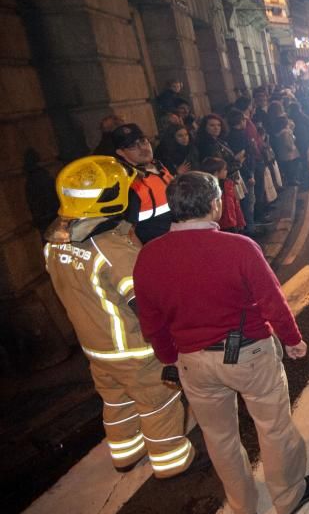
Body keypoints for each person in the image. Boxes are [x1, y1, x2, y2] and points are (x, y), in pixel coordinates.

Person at [134, 172, 309, 514]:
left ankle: (242, 507)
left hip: (192, 360)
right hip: (248, 353)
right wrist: (292, 340)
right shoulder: (239, 248)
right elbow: (272, 302)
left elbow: (151, 321)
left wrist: (169, 357)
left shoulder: (148, 256)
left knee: (219, 439)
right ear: (214, 203)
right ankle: (288, 496)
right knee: (274, 427)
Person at [43, 156, 201, 477]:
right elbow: (147, 305)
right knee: (159, 404)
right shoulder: (114, 252)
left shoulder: (54, 246)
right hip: (134, 351)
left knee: (116, 402)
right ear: (112, 199)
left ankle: (125, 454)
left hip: (95, 348)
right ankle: (171, 462)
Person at [112, 124, 174, 243]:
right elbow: (127, 230)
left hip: (177, 239)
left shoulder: (159, 166)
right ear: (121, 152)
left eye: (143, 141)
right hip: (156, 248)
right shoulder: (129, 183)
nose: (142, 148)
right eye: (132, 146)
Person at [201, 156, 246, 233]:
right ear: (216, 172)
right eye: (224, 169)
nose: (227, 171)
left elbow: (235, 204)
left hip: (232, 223)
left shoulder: (229, 184)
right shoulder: (206, 190)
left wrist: (240, 221)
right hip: (218, 226)